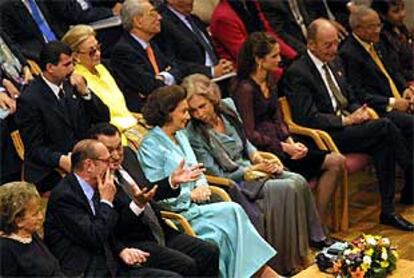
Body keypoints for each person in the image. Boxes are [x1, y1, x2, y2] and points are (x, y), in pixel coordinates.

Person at [184, 73, 330, 275]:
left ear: (213, 99)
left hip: (251, 168)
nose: (199, 114)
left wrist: (260, 159)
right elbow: (216, 173)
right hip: (237, 181)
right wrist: (253, 171)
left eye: (203, 106)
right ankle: (284, 262)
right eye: (193, 110)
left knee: (298, 180)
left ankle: (305, 248)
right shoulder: (193, 133)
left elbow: (247, 143)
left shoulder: (227, 107)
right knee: (287, 187)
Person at [281, 18, 414, 231]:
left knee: (383, 141)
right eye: (328, 45)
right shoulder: (298, 72)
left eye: (335, 43)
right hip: (326, 135)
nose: (334, 49)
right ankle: (409, 167)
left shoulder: (335, 62)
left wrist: (358, 111)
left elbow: (349, 96)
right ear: (311, 44)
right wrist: (346, 120)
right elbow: (308, 117)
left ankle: (388, 211)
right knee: (385, 127)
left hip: (349, 126)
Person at [137, 85, 279, 278]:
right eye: (184, 111)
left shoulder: (181, 134)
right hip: (177, 216)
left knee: (234, 210)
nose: (189, 116)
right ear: (169, 112)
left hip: (197, 208)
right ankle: (262, 274)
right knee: (220, 234)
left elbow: (197, 169)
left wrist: (202, 185)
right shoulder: (151, 146)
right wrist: (190, 194)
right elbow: (156, 192)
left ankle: (257, 273)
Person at [232, 32, 346, 226]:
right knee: (305, 173)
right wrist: (284, 148)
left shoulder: (270, 81)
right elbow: (249, 134)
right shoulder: (245, 89)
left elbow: (278, 118)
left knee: (336, 161)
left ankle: (316, 225)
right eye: (274, 56)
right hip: (266, 152)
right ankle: (310, 228)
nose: (280, 59)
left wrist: (291, 141)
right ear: (259, 60)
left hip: (283, 144)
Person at [88, 123, 220, 277]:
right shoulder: (94, 180)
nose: (116, 155)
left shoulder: (129, 156)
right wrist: (137, 205)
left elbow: (147, 191)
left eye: (119, 148)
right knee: (186, 265)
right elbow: (113, 227)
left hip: (159, 230)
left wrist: (171, 181)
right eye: (109, 151)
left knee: (209, 251)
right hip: (133, 241)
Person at [44, 139, 181, 277]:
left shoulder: (99, 186)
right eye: (106, 161)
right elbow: (94, 236)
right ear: (89, 165)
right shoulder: (65, 197)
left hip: (112, 263)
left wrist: (121, 250)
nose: (112, 165)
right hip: (86, 270)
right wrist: (106, 202)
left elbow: (110, 230)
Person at [339, 7, 414, 201]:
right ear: (358, 29)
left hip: (398, 98)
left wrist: (406, 89)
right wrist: (392, 102)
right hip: (377, 108)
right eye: (373, 27)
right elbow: (358, 93)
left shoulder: (378, 43)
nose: (378, 30)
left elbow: (394, 71)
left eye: (378, 25)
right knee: (409, 123)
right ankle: (410, 181)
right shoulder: (349, 53)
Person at [15, 41, 110, 193]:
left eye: (72, 63)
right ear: (50, 68)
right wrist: (61, 159)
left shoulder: (72, 84)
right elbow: (35, 149)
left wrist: (85, 93)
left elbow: (104, 118)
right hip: (51, 169)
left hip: (83, 159)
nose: (72, 68)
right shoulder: (29, 99)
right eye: (67, 65)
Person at [62, 25, 148, 149]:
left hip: (131, 122)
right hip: (112, 136)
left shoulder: (103, 67)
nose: (98, 54)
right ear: (75, 56)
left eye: (98, 48)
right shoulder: (76, 80)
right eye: (92, 52)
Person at [111, 0, 182, 112]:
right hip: (148, 109)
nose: (159, 18)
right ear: (138, 21)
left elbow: (177, 68)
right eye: (153, 14)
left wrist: (162, 77)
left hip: (166, 102)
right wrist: (167, 75)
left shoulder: (153, 42)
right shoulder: (123, 51)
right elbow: (148, 86)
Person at [209, 0, 297, 77]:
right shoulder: (223, 17)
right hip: (249, 74)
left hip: (267, 62)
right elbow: (247, 57)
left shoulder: (250, 3)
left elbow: (269, 35)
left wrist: (296, 57)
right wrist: (286, 74)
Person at [154, 0, 234, 78]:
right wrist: (210, 71)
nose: (191, 1)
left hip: (219, 76)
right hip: (195, 81)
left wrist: (222, 64)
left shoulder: (194, 19)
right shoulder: (163, 24)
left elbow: (208, 49)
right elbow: (173, 62)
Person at [0, 181, 63, 277]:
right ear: (18, 221)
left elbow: (53, 268)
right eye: (35, 214)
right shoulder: (5, 250)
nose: (41, 216)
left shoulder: (31, 235)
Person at [0, 0, 67, 61]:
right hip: (38, 56)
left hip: (61, 45)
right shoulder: (5, 7)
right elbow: (11, 42)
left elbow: (55, 22)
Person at [372, 0, 413, 82]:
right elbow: (396, 71)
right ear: (383, 15)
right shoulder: (382, 37)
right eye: (396, 11)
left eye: (402, 9)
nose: (402, 14)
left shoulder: (400, 28)